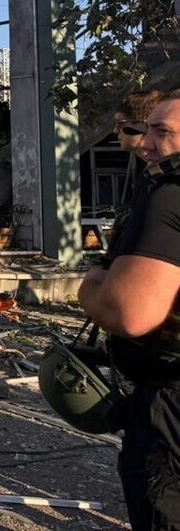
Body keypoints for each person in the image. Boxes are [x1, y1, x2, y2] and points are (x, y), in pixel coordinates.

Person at [80, 90, 180, 530]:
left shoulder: (169, 194)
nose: (145, 143)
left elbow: (130, 314)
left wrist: (91, 287)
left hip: (170, 403)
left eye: (162, 132)